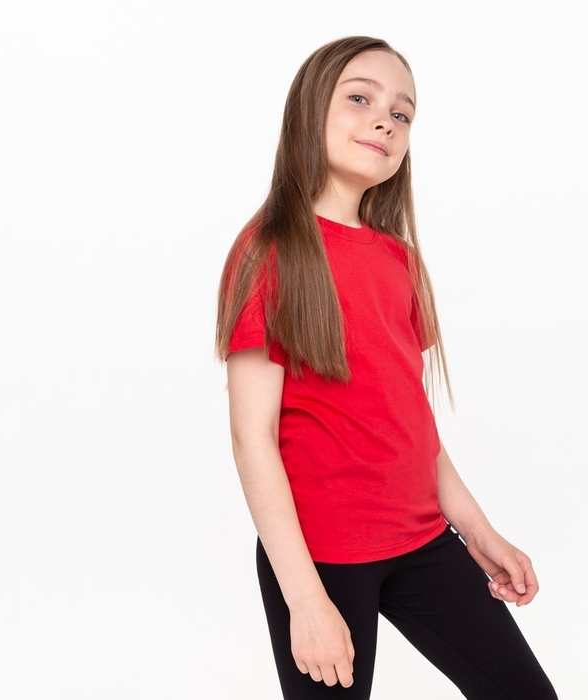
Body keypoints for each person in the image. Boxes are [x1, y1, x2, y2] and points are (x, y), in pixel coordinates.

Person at [216, 36, 558, 700]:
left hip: (424, 543)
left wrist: (479, 533)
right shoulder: (268, 252)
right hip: (322, 560)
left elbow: (412, 426)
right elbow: (251, 438)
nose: (385, 121)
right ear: (309, 110)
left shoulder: (399, 260)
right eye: (360, 99)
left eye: (402, 114)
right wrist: (305, 601)